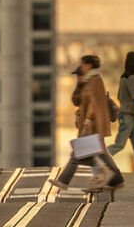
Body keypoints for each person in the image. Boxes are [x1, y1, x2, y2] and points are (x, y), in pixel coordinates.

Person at [49, 55, 124, 191]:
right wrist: (79, 84)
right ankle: (115, 180)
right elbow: (78, 101)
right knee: (97, 154)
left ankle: (65, 181)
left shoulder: (95, 80)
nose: (81, 66)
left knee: (82, 153)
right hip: (90, 124)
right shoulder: (89, 81)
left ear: (89, 65)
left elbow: (95, 103)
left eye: (83, 64)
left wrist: (89, 118)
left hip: (93, 125)